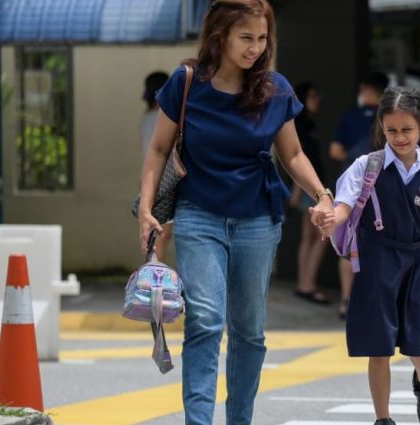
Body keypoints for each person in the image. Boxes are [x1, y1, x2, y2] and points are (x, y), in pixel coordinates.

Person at [135, 1, 332, 424]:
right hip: (198, 215)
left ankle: (239, 419)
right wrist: (146, 210)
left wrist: (322, 195)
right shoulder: (187, 83)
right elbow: (158, 148)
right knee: (205, 319)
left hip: (258, 220)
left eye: (262, 39)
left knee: (249, 331)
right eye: (246, 38)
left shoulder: (275, 89)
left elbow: (293, 153)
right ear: (220, 34)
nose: (255, 49)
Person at [318, 87, 420, 425]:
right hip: (375, 260)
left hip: (415, 262)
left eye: (407, 129)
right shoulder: (367, 166)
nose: (400, 137)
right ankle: (383, 419)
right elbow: (345, 204)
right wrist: (332, 216)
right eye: (391, 130)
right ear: (381, 126)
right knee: (378, 346)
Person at [330, 71, 389, 318]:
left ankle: (347, 299)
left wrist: (356, 166)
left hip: (352, 190)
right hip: (384, 189)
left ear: (365, 88)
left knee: (348, 244)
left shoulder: (350, 117)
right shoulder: (390, 118)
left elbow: (335, 151)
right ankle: (379, 301)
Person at [289, 82, 330, 304]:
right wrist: (298, 189)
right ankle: (308, 284)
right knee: (320, 235)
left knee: (309, 236)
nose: (319, 100)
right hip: (310, 189)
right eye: (314, 95)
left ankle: (304, 284)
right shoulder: (301, 125)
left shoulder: (307, 124)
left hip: (311, 188)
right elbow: (297, 158)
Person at [140, 71, 171, 255]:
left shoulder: (146, 116)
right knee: (160, 235)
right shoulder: (162, 117)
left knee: (152, 235)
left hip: (148, 180)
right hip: (163, 181)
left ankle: (150, 276)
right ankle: (153, 279)